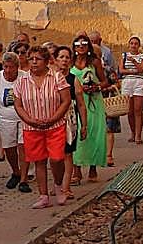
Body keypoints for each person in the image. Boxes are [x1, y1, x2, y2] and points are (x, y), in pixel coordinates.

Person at [13, 46, 72, 209]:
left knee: (57, 158)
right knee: (39, 161)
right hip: (32, 128)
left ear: (46, 61)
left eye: (37, 59)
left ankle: (59, 186)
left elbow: (66, 100)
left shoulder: (57, 77)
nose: (33, 62)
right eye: (31, 58)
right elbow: (18, 105)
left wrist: (53, 118)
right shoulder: (22, 81)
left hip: (55, 126)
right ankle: (43, 195)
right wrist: (29, 120)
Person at [69, 34, 107, 185]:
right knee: (76, 133)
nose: (81, 46)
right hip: (76, 102)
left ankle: (92, 167)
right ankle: (76, 170)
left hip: (93, 101)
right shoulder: (70, 63)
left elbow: (104, 81)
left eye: (84, 43)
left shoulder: (94, 62)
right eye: (78, 44)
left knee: (93, 133)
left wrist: (96, 87)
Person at [0, 52, 29, 193]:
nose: (8, 70)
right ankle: (16, 172)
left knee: (23, 147)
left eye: (11, 67)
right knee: (9, 148)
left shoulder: (25, 76)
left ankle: (24, 179)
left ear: (17, 67)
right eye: (5, 67)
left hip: (23, 117)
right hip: (5, 117)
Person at [53, 45, 87, 200]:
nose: (64, 60)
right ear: (55, 60)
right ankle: (58, 185)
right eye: (61, 57)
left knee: (67, 154)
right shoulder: (51, 78)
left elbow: (80, 103)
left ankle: (65, 188)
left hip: (70, 121)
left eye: (67, 57)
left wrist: (84, 124)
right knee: (55, 155)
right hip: (53, 119)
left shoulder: (74, 80)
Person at [90, 31, 120, 166]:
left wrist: (106, 88)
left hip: (108, 101)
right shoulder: (87, 71)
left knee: (108, 129)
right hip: (93, 103)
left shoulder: (107, 69)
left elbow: (116, 83)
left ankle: (108, 155)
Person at [120, 36, 143, 142]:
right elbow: (121, 70)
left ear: (139, 45)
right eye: (131, 43)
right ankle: (132, 132)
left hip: (139, 83)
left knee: (138, 110)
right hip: (127, 83)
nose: (133, 45)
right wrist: (133, 72)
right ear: (129, 45)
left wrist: (134, 61)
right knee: (130, 111)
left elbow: (142, 69)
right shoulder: (124, 55)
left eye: (136, 43)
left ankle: (138, 135)